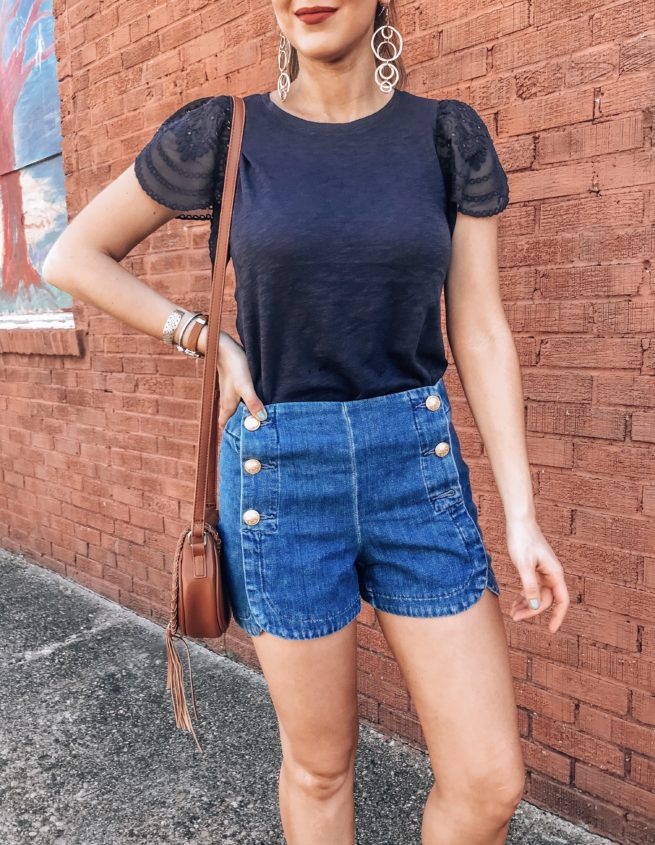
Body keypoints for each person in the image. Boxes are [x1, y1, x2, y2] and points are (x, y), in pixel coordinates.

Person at [44, 2, 570, 843]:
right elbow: (71, 254)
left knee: (487, 778)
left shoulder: (446, 137)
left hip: (417, 471)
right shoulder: (223, 133)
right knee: (320, 767)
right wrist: (201, 337)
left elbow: (478, 328)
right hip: (281, 473)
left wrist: (522, 515)